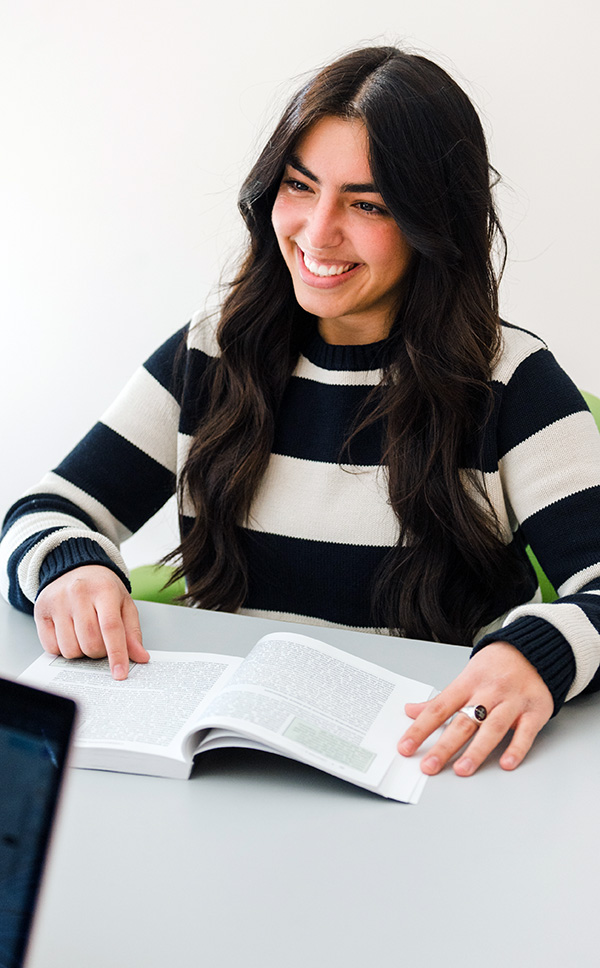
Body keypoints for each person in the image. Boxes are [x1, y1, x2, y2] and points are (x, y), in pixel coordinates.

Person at [2, 46, 600, 779]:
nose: (318, 234)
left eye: (368, 204)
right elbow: (48, 508)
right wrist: (71, 565)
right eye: (299, 186)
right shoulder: (215, 348)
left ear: (430, 223)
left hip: (422, 766)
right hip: (224, 765)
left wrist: (533, 653)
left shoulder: (513, 382)